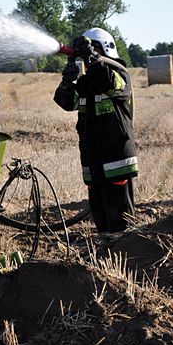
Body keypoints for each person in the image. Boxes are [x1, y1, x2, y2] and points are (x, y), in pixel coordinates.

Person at [54, 28, 138, 233]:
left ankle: (126, 255)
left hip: (115, 159)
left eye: (94, 49)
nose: (87, 54)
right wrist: (68, 79)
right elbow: (66, 102)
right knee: (100, 217)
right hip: (92, 159)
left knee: (120, 219)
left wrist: (91, 57)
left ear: (106, 50)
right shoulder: (86, 83)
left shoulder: (120, 75)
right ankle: (106, 252)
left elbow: (108, 82)